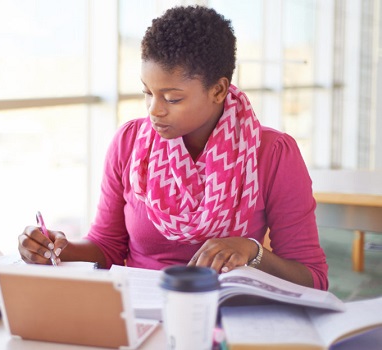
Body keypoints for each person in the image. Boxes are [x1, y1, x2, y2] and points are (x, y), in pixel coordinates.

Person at [18, 5, 328, 290]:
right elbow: (107, 247)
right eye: (148, 92)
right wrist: (57, 248)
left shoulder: (272, 153)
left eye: (172, 98)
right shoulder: (129, 144)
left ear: (218, 90)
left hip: (229, 314)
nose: (154, 110)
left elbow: (312, 278)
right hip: (140, 307)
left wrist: (252, 251)